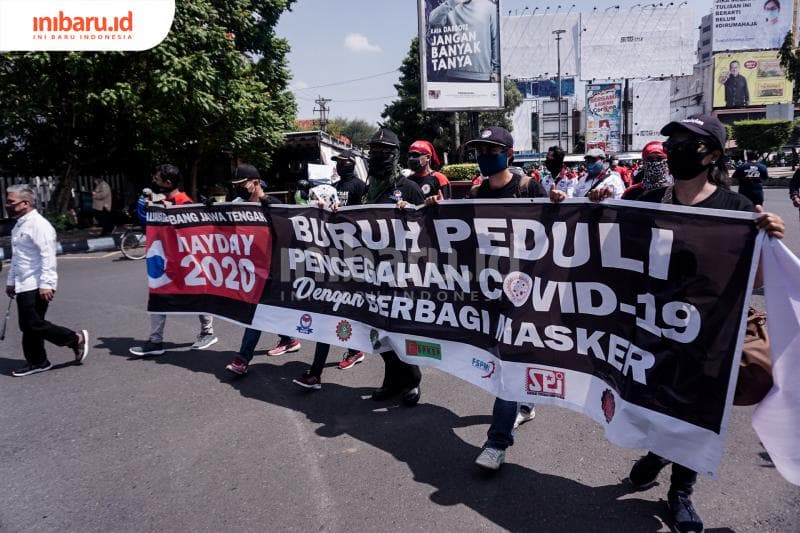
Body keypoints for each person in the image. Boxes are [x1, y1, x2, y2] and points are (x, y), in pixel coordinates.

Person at [586, 114, 785, 533]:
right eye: (672, 141)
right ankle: (658, 453)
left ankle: (680, 492)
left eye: (686, 143)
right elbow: (612, 251)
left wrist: (772, 240)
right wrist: (590, 208)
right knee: (656, 400)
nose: (675, 150)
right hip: (653, 328)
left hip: (709, 334)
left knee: (695, 411)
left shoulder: (737, 210)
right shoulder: (649, 200)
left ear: (711, 153)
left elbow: (760, 281)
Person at [429, 127, 543, 470]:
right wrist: (434, 208)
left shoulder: (528, 188)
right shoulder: (476, 191)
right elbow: (459, 230)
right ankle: (524, 404)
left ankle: (497, 441)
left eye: (491, 149)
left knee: (507, 364)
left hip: (524, 292)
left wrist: (562, 205)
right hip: (488, 291)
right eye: (478, 150)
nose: (483, 156)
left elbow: (560, 229)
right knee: (505, 358)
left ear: (508, 153)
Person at [364, 128, 426, 405]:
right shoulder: (368, 189)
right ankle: (391, 379)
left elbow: (429, 229)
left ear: (395, 155)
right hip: (373, 270)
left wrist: (409, 214)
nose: (377, 157)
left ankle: (412, 380)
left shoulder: (409, 188)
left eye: (384, 152)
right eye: (373, 151)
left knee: (403, 329)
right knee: (381, 332)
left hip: (402, 271)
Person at [129, 164, 218, 356]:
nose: (154, 182)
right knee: (158, 295)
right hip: (166, 260)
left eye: (157, 179)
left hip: (186, 262)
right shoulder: (161, 203)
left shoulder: (185, 203)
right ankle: (155, 342)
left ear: (168, 183)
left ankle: (207, 332)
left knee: (199, 294)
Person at [224, 164, 304, 375]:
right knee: (268, 309)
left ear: (255, 182)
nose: (239, 188)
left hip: (274, 267)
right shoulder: (239, 205)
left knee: (257, 312)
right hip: (252, 267)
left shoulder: (273, 204)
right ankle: (288, 339)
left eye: (242, 184)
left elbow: (289, 231)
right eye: (236, 185)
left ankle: (242, 358)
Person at [5, 185, 89, 376]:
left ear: (25, 203)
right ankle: (38, 362)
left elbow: (48, 256)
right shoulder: (19, 225)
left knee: (32, 324)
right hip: (23, 282)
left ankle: (74, 339)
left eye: (11, 201)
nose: (7, 205)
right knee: (28, 325)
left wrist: (47, 284)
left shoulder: (39, 225)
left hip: (37, 284)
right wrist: (11, 281)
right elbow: (18, 258)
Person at [427, 0, 499, 82]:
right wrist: (451, 2)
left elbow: (495, 40)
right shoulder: (449, 6)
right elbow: (432, 20)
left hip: (483, 75)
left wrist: (497, 70)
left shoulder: (490, 7)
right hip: (454, 74)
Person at [551, 148, 625, 201]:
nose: (590, 164)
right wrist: (563, 196)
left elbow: (621, 202)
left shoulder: (614, 179)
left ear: (603, 161)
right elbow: (574, 199)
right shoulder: (582, 180)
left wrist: (606, 197)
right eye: (588, 161)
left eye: (593, 160)